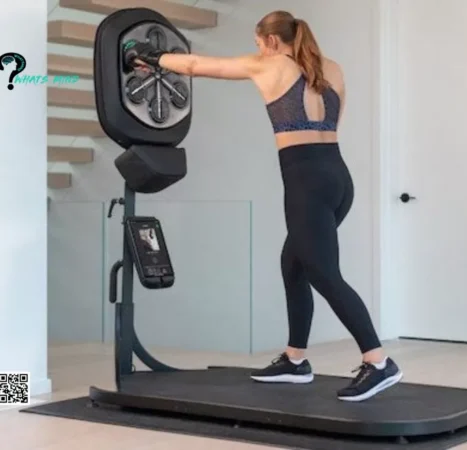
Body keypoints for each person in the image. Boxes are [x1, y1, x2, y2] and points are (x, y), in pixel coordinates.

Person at [126, 10, 403, 402]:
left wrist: (150, 57)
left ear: (271, 42)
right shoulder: (332, 68)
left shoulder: (270, 65)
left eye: (258, 43)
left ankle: (378, 362)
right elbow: (333, 122)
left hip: (306, 182)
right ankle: (295, 360)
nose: (257, 49)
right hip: (337, 178)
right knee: (294, 264)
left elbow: (195, 65)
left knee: (324, 274)